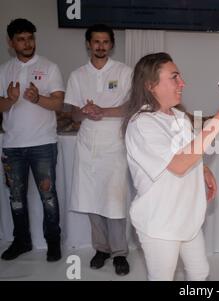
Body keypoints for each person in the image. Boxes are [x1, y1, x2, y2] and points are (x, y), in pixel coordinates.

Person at [123, 52, 219, 281]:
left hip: (187, 215)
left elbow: (188, 151)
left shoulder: (179, 117)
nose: (183, 83)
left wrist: (203, 170)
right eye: (175, 77)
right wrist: (216, 124)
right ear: (151, 85)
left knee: (200, 273)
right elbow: (178, 164)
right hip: (160, 220)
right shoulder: (142, 124)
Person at [64, 24, 132, 276]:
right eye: (96, 42)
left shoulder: (124, 72)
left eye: (105, 42)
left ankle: (120, 253)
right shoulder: (77, 75)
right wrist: (84, 112)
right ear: (88, 44)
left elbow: (131, 106)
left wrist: (104, 111)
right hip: (87, 144)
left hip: (115, 144)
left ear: (111, 44)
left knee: (114, 200)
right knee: (92, 199)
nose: (101, 46)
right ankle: (101, 249)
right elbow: (72, 114)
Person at [0, 19, 64, 262]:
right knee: (16, 197)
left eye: (30, 38)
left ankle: (53, 242)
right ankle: (22, 241)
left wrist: (38, 99)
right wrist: (10, 99)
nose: (27, 43)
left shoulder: (50, 67)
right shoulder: (4, 69)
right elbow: (1, 105)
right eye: (21, 39)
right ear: (11, 42)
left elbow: (58, 103)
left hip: (43, 144)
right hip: (12, 146)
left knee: (48, 196)